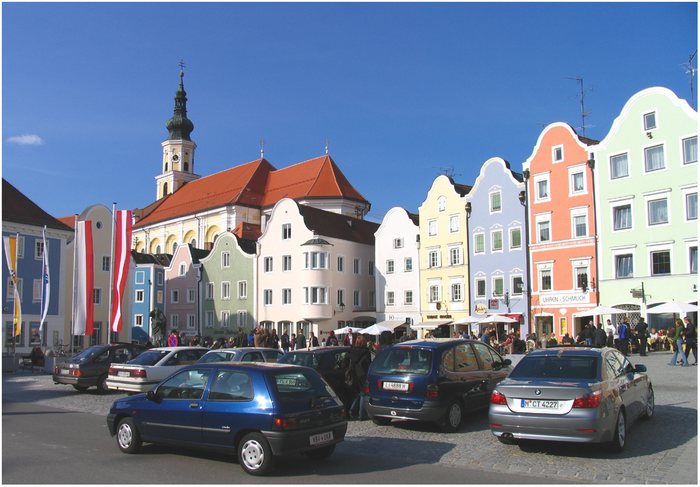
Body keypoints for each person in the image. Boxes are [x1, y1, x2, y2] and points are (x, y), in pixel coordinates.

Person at [346, 335, 372, 420]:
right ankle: (361, 415)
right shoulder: (366, 352)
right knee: (363, 394)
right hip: (363, 374)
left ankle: (352, 410)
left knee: (358, 394)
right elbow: (368, 364)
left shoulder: (352, 351)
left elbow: (351, 364)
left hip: (354, 375)